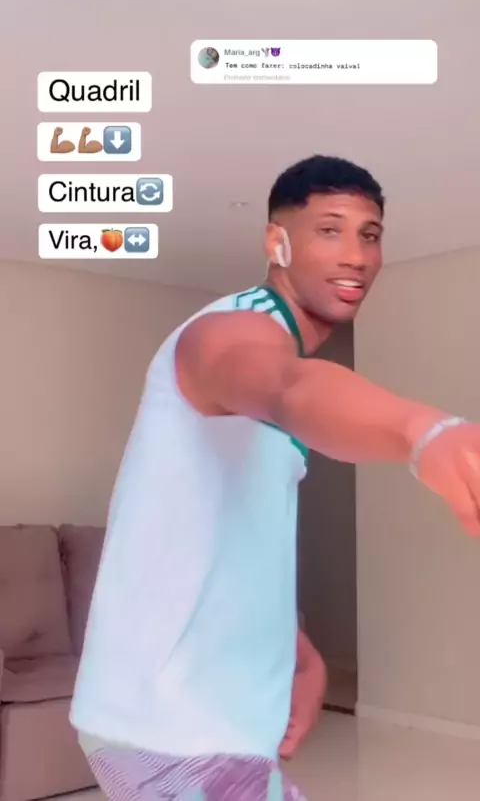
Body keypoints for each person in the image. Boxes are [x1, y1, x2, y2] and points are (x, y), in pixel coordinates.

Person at [70, 155, 480, 801]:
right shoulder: (227, 334)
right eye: (329, 230)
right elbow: (288, 387)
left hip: (193, 726)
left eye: (369, 235)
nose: (355, 256)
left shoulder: (271, 348)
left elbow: (221, 538)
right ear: (276, 242)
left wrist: (297, 651)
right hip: (172, 729)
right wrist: (422, 431)